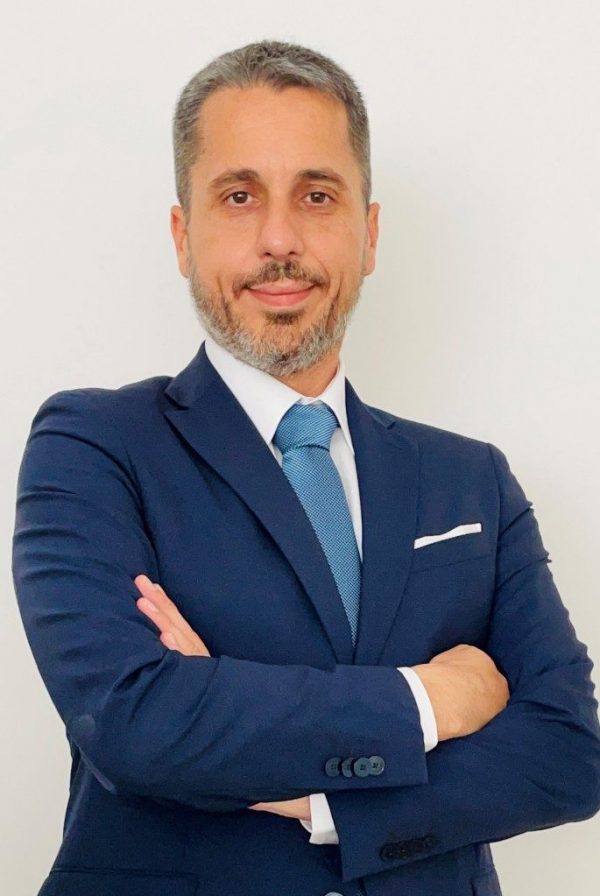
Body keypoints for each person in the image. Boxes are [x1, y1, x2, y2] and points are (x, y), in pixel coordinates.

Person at [12, 39, 600, 896]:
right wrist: (431, 701)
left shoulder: (472, 479)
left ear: (369, 234)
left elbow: (569, 751)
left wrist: (326, 800)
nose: (280, 240)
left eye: (317, 195)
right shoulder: (94, 444)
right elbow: (135, 720)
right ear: (183, 236)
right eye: (239, 196)